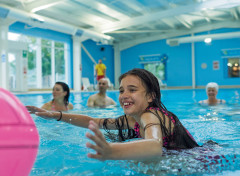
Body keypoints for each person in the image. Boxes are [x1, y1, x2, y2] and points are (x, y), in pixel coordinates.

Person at [26, 68, 199, 161]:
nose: (124, 95)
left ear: (151, 96)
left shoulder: (150, 115)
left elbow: (154, 145)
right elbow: (93, 121)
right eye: (122, 90)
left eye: (132, 90)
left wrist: (112, 151)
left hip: (198, 160)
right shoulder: (132, 119)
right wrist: (56, 115)